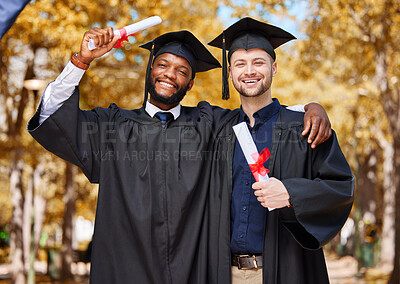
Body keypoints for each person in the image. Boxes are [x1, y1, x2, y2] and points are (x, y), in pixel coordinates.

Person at [27, 27, 331, 283]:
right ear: (150, 69)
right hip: (125, 272)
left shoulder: (208, 124)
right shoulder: (111, 127)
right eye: (162, 65)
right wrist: (81, 61)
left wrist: (309, 107)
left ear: (191, 82)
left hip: (193, 273)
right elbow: (54, 119)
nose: (170, 74)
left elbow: (260, 114)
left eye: (182, 70)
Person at [207, 17, 355, 283]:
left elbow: (341, 187)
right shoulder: (218, 129)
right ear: (229, 73)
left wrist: (292, 193)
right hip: (225, 274)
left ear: (273, 68)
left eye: (259, 62)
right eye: (240, 63)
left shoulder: (304, 127)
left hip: (288, 271)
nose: (249, 71)